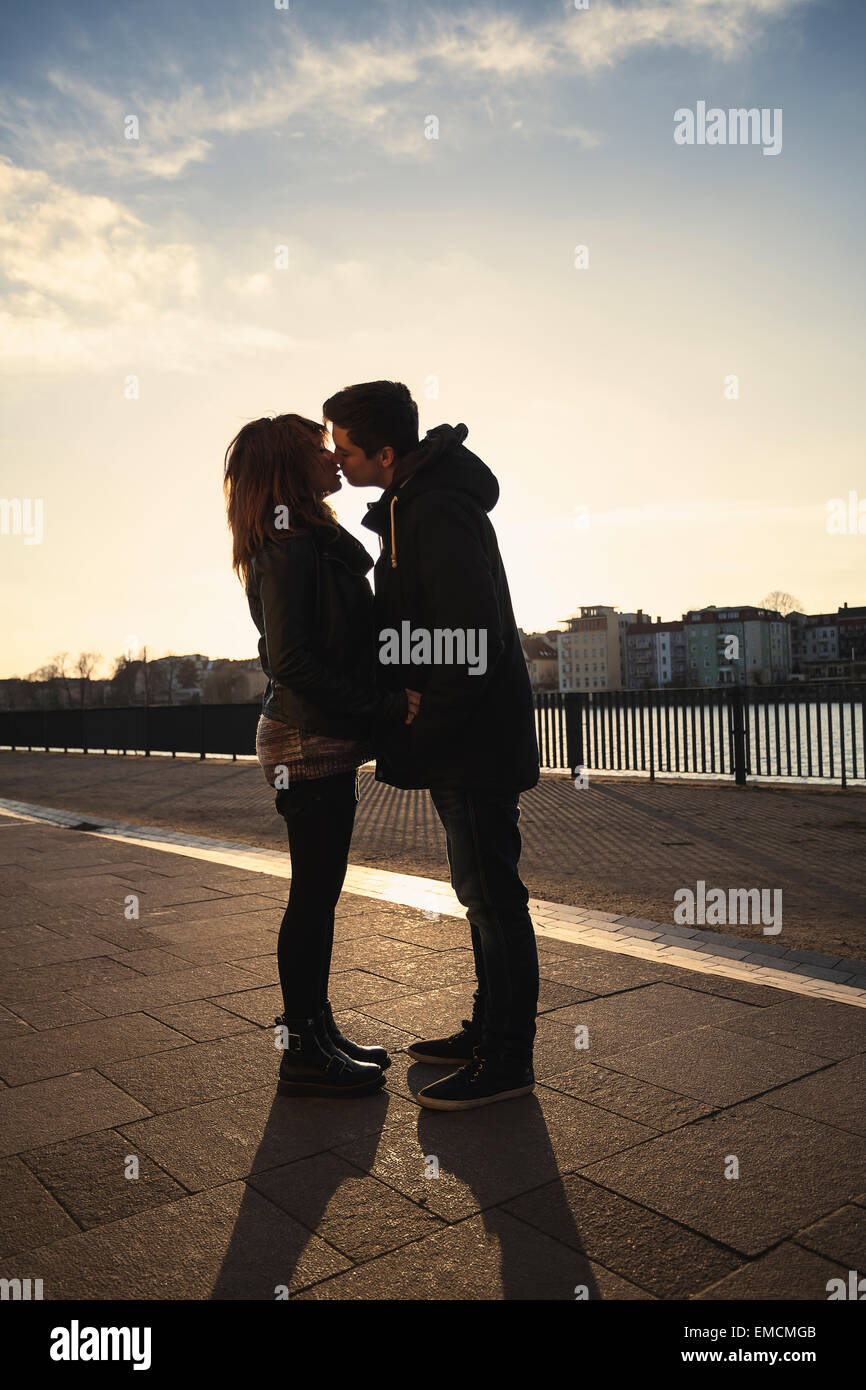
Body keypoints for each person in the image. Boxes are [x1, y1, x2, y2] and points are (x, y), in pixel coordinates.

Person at [322, 381, 540, 1110]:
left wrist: (424, 724)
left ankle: (507, 1060)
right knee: (480, 893)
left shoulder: (434, 509)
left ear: (386, 451)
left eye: (344, 448)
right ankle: (487, 1030)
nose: (336, 459)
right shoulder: (416, 506)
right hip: (465, 736)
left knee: (492, 897)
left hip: (472, 741)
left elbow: (469, 638)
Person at [223, 412, 418, 1098]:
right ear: (288, 464)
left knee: (320, 893)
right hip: (306, 738)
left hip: (316, 733)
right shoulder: (287, 547)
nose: (334, 455)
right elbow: (291, 658)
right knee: (312, 896)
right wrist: (386, 708)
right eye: (317, 449)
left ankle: (317, 1029)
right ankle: (301, 1047)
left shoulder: (300, 541)